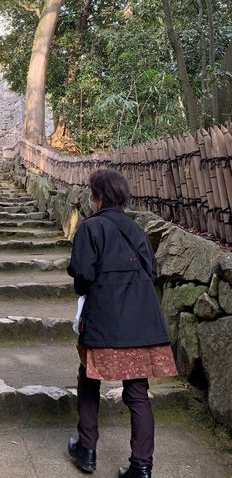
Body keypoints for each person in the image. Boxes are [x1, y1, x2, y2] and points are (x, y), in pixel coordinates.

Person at [66, 168, 177, 478]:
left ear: (98, 197)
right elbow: (151, 273)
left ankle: (87, 449)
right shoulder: (136, 230)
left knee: (89, 378)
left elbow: (82, 275)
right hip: (142, 322)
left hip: (104, 319)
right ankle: (141, 466)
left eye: (91, 193)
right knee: (138, 391)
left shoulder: (90, 228)